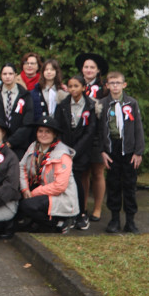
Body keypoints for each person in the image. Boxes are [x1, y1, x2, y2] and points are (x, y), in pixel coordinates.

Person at [97, 71, 145, 234]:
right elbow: (99, 131)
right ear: (107, 85)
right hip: (112, 149)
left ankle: (130, 220)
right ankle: (114, 219)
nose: (115, 86)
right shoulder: (102, 104)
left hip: (129, 149)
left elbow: (138, 128)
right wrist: (103, 151)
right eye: (112, 83)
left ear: (124, 85)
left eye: (118, 83)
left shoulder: (132, 103)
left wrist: (138, 151)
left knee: (129, 185)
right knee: (114, 184)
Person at [17, 115, 79, 233]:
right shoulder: (33, 146)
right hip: (41, 189)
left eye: (48, 132)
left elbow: (59, 186)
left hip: (61, 196)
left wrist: (34, 193)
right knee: (17, 199)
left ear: (54, 134)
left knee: (27, 205)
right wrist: (25, 189)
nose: (43, 134)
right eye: (40, 131)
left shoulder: (62, 154)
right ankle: (37, 222)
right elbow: (22, 167)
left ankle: (58, 223)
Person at [55, 75, 98, 230]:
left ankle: (80, 213)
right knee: (63, 180)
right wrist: (64, 149)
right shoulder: (63, 104)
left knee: (78, 180)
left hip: (81, 151)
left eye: (76, 86)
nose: (73, 89)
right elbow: (58, 127)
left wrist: (76, 150)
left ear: (83, 87)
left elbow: (90, 131)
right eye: (70, 86)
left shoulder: (90, 105)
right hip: (64, 149)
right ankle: (65, 213)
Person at [75, 52, 108, 220]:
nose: (88, 70)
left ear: (98, 71)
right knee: (83, 173)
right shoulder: (75, 86)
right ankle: (83, 207)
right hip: (81, 135)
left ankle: (97, 208)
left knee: (97, 172)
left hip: (97, 136)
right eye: (86, 67)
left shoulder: (104, 90)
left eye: (92, 67)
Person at [0, 63, 30, 152]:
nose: (7, 77)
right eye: (4, 74)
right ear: (1, 76)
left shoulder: (25, 95)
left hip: (19, 145)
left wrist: (11, 141)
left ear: (15, 75)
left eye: (10, 74)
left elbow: (28, 122)